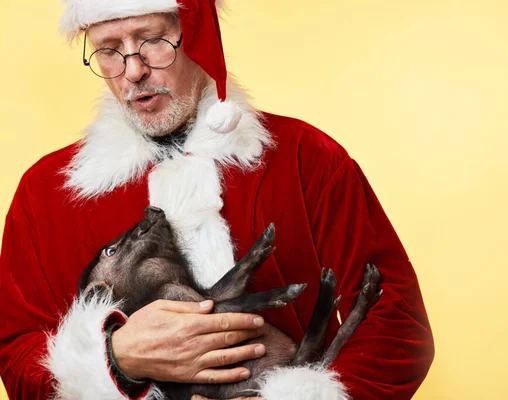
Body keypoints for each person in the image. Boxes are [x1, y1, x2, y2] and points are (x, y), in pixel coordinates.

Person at [0, 0, 434, 399]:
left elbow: (398, 327)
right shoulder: (45, 192)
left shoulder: (308, 159)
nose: (132, 70)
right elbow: (17, 356)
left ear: (199, 36)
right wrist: (115, 358)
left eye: (152, 40)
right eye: (109, 50)